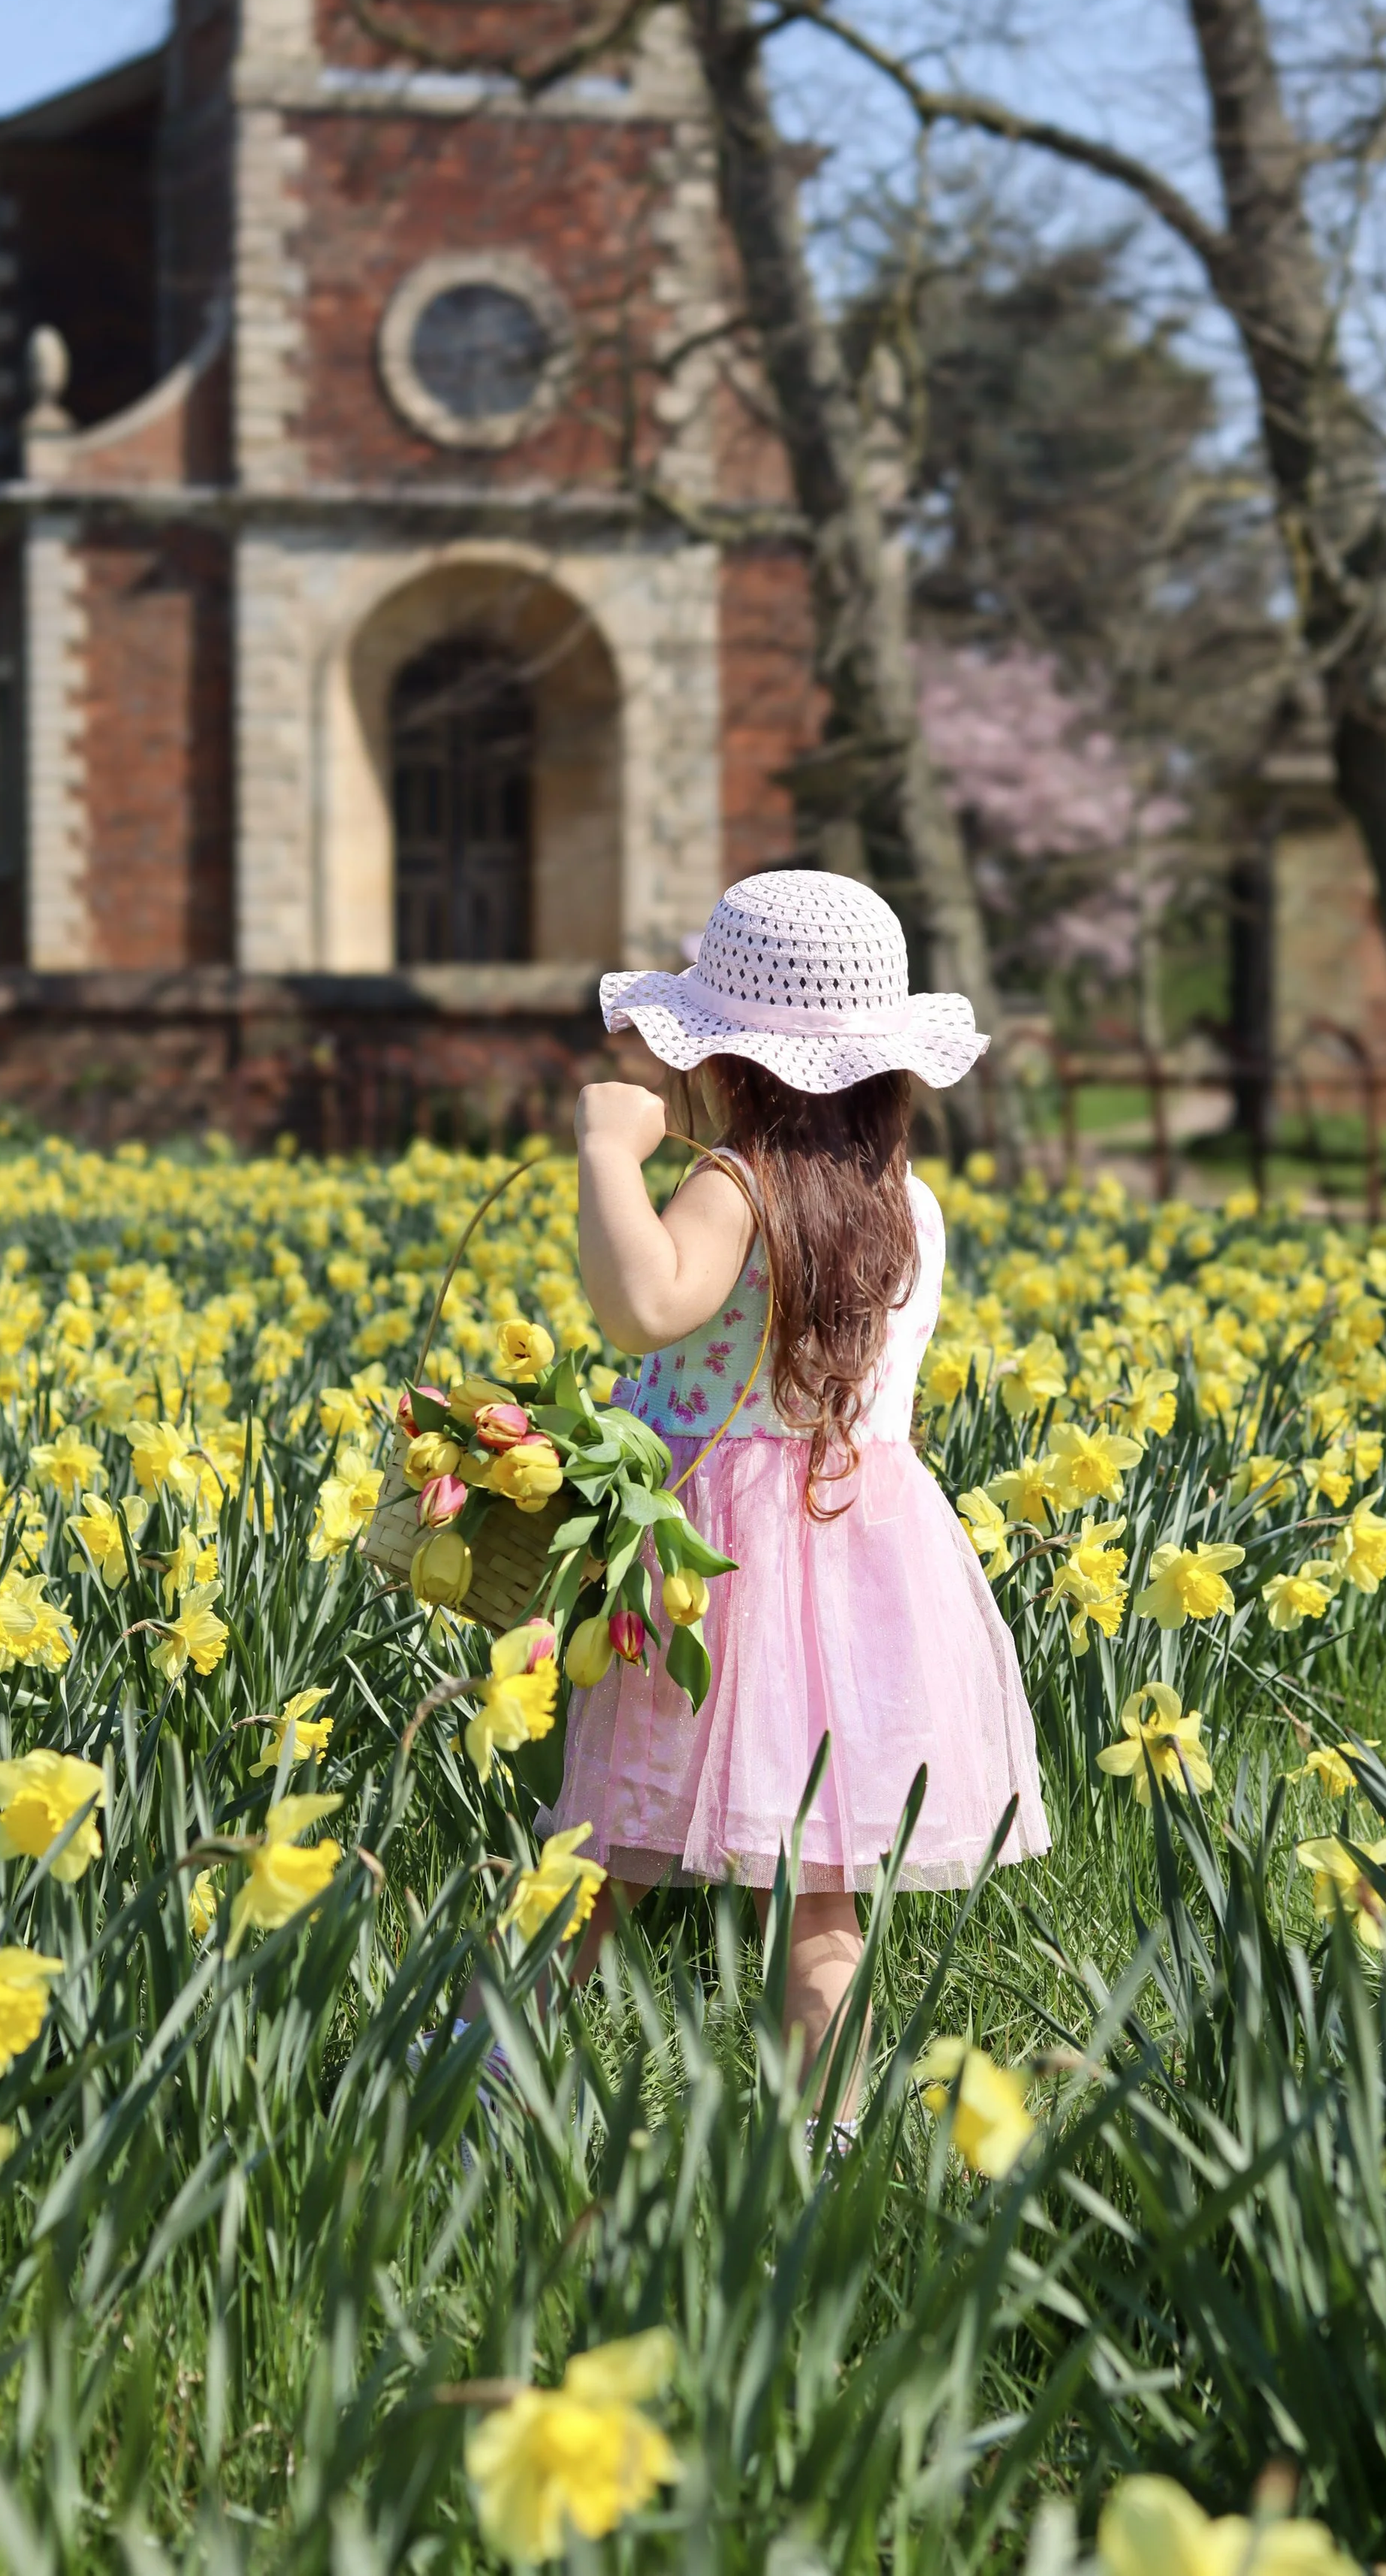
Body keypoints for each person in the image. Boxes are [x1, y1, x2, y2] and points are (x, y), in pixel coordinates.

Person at [543, 868, 1049, 2095]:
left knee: (599, 1849)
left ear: (728, 1061)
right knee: (817, 1894)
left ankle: (481, 2079)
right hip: (863, 1567)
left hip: (708, 1572)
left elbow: (645, 1305)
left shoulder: (737, 1183)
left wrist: (610, 1155)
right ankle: (827, 2137)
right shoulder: (911, 1208)